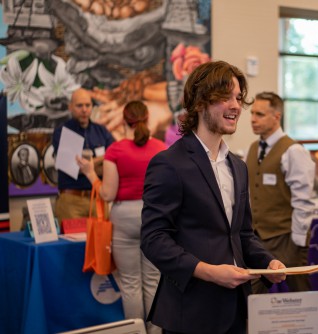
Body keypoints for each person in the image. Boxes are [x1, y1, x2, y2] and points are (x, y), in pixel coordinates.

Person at [140, 61, 286, 334]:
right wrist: (208, 271)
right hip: (191, 310)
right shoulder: (169, 164)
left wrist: (267, 262)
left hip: (235, 309)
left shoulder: (238, 166)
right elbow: (153, 240)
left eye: (238, 98)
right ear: (199, 103)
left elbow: (242, 235)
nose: (235, 106)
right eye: (224, 97)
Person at [77, 100, 166, 334]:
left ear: (124, 121)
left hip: (124, 218)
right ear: (147, 119)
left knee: (130, 284)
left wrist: (89, 174)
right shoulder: (161, 148)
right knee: (153, 281)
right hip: (154, 217)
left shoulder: (115, 150)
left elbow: (107, 193)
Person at [245, 91, 316, 293]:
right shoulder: (252, 148)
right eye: (252, 113)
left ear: (276, 116)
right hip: (258, 236)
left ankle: (309, 326)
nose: (252, 119)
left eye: (260, 114)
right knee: (252, 292)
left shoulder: (293, 151)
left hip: (286, 236)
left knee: (299, 292)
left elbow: (303, 200)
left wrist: (298, 241)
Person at [52, 88, 115, 222]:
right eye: (79, 105)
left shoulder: (102, 131)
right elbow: (76, 167)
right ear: (70, 107)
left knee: (101, 243)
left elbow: (114, 161)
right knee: (70, 242)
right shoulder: (62, 132)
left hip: (97, 199)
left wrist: (90, 163)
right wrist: (101, 162)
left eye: (88, 105)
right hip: (72, 201)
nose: (84, 109)